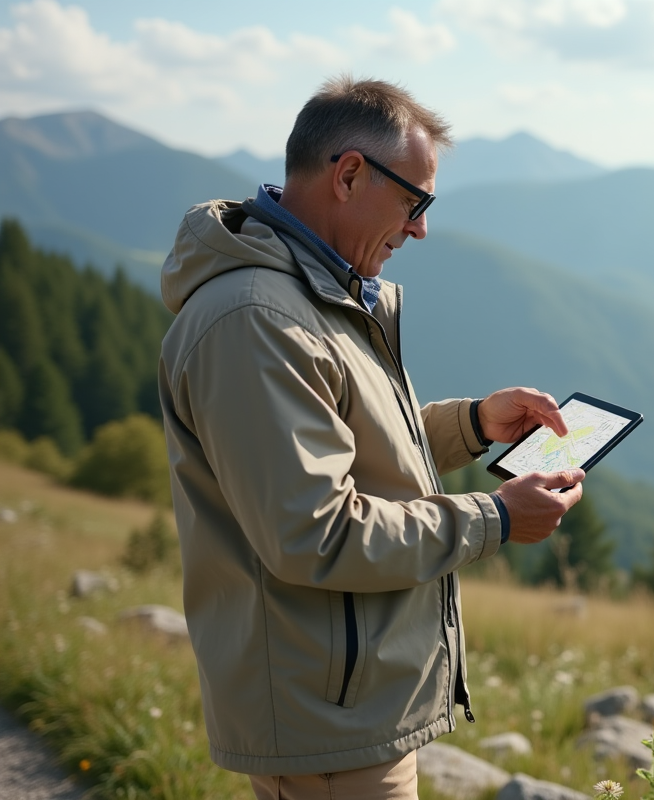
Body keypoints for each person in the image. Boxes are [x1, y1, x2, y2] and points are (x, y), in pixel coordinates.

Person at [158, 75, 585, 799]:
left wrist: (474, 424)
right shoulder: (260, 321)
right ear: (350, 174)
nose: (420, 229)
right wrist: (497, 518)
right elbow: (314, 532)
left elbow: (344, 448)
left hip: (345, 706)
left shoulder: (313, 294)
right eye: (416, 201)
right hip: (325, 721)